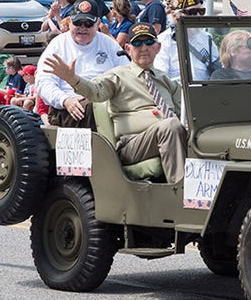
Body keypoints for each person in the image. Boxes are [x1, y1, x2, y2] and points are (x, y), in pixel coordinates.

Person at [43, 23, 188, 183]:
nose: (144, 48)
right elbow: (95, 91)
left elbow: (186, 112)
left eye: (149, 42)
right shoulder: (118, 76)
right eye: (137, 43)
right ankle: (181, 192)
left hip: (169, 135)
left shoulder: (167, 81)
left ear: (158, 47)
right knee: (171, 126)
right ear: (128, 49)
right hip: (132, 144)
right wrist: (73, 79)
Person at [35, 0, 126, 127]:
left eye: (88, 23)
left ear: (98, 23)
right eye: (78, 23)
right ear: (70, 22)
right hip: (68, 108)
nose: (82, 28)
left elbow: (126, 74)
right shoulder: (57, 45)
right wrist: (65, 100)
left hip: (107, 105)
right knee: (93, 107)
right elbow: (43, 82)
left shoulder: (109, 44)